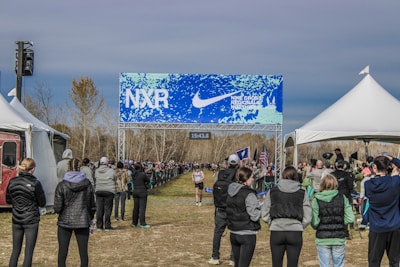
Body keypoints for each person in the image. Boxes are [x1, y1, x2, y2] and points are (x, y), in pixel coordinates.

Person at [261, 165, 312, 267]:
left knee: (276, 263)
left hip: (276, 230)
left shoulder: (273, 191)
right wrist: (300, 225)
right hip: (295, 231)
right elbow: (308, 214)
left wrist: (271, 222)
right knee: (293, 264)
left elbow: (264, 212)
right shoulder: (302, 192)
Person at [54, 158, 96, 267]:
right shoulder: (87, 184)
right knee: (83, 253)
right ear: (80, 168)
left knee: (62, 252)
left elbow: (57, 208)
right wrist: (90, 217)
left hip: (65, 221)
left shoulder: (62, 185)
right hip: (82, 220)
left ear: (68, 168)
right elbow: (92, 205)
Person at [6, 158, 46, 267]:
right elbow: (42, 203)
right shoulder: (35, 183)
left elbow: (8, 200)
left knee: (15, 250)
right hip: (31, 220)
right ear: (32, 169)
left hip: (17, 218)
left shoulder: (12, 181)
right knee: (28, 253)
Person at [311, 174, 355, 267]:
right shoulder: (342, 198)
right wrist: (342, 223)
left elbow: (315, 222)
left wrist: (318, 225)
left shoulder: (316, 199)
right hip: (338, 238)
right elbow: (350, 218)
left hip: (322, 238)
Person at [364, 155, 400, 267]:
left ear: (374, 167)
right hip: (394, 225)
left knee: (374, 262)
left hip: (377, 227)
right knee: (394, 261)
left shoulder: (368, 185)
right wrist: (393, 159)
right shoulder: (394, 182)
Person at [208, 154, 240, 266]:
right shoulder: (238, 174)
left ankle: (215, 257)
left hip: (220, 208)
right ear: (238, 163)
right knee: (234, 233)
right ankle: (233, 258)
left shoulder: (220, 173)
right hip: (232, 208)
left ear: (228, 163)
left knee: (217, 233)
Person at [226, 166, 261, 267]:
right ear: (246, 179)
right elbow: (254, 215)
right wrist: (261, 210)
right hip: (247, 233)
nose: (253, 179)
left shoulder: (231, 191)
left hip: (234, 232)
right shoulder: (249, 194)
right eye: (251, 177)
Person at [330, 160, 355, 239]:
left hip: (334, 195)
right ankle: (345, 232)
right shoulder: (347, 175)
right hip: (345, 196)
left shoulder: (331, 175)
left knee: (335, 213)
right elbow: (351, 186)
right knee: (345, 214)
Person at [95, 156, 116, 231]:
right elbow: (115, 178)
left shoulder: (96, 171)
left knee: (99, 209)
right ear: (107, 163)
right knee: (108, 209)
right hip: (109, 190)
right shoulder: (111, 171)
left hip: (99, 190)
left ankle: (99, 226)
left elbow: (95, 178)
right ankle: (107, 226)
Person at [131, 162, 151, 228]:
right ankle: (142, 223)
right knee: (142, 208)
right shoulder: (142, 174)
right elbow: (148, 180)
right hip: (142, 191)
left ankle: (134, 222)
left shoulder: (133, 174)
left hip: (135, 191)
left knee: (135, 208)